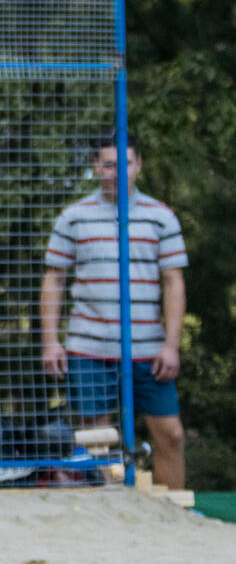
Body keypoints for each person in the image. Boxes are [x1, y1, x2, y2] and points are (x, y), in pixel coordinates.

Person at [41, 132, 188, 488]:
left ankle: (174, 510)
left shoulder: (161, 217)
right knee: (97, 439)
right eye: (108, 165)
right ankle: (113, 506)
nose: (117, 172)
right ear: (96, 166)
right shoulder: (74, 217)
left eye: (125, 164)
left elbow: (173, 282)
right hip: (89, 347)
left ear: (139, 165)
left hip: (149, 349)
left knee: (170, 434)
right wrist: (50, 342)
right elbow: (54, 280)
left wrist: (171, 345)